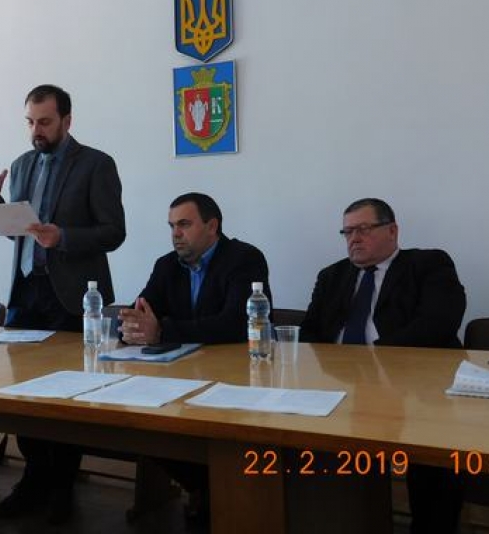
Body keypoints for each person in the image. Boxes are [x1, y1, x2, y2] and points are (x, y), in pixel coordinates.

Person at [0, 84, 125, 524]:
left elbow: (114, 232)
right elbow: (19, 232)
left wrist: (64, 237)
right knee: (23, 394)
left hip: (75, 298)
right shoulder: (22, 165)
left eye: (44, 122)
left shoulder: (96, 164)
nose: (36, 131)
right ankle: (34, 479)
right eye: (30, 122)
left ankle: (62, 486)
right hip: (26, 292)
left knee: (66, 398)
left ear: (67, 120)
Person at [300, 197, 465, 534]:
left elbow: (439, 323)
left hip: (415, 389)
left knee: (436, 449)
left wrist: (369, 358)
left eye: (363, 229)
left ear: (392, 231)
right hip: (341, 388)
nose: (354, 239)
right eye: (347, 232)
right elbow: (310, 333)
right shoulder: (332, 276)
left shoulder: (428, 264)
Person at [120, 192, 271, 527]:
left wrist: (161, 331)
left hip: (234, 379)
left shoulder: (244, 259)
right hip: (179, 378)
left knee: (215, 438)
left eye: (184, 224)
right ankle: (204, 489)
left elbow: (236, 323)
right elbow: (141, 310)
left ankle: (218, 495)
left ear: (212, 226)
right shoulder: (166, 265)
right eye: (172, 226)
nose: (176, 234)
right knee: (148, 426)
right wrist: (131, 326)